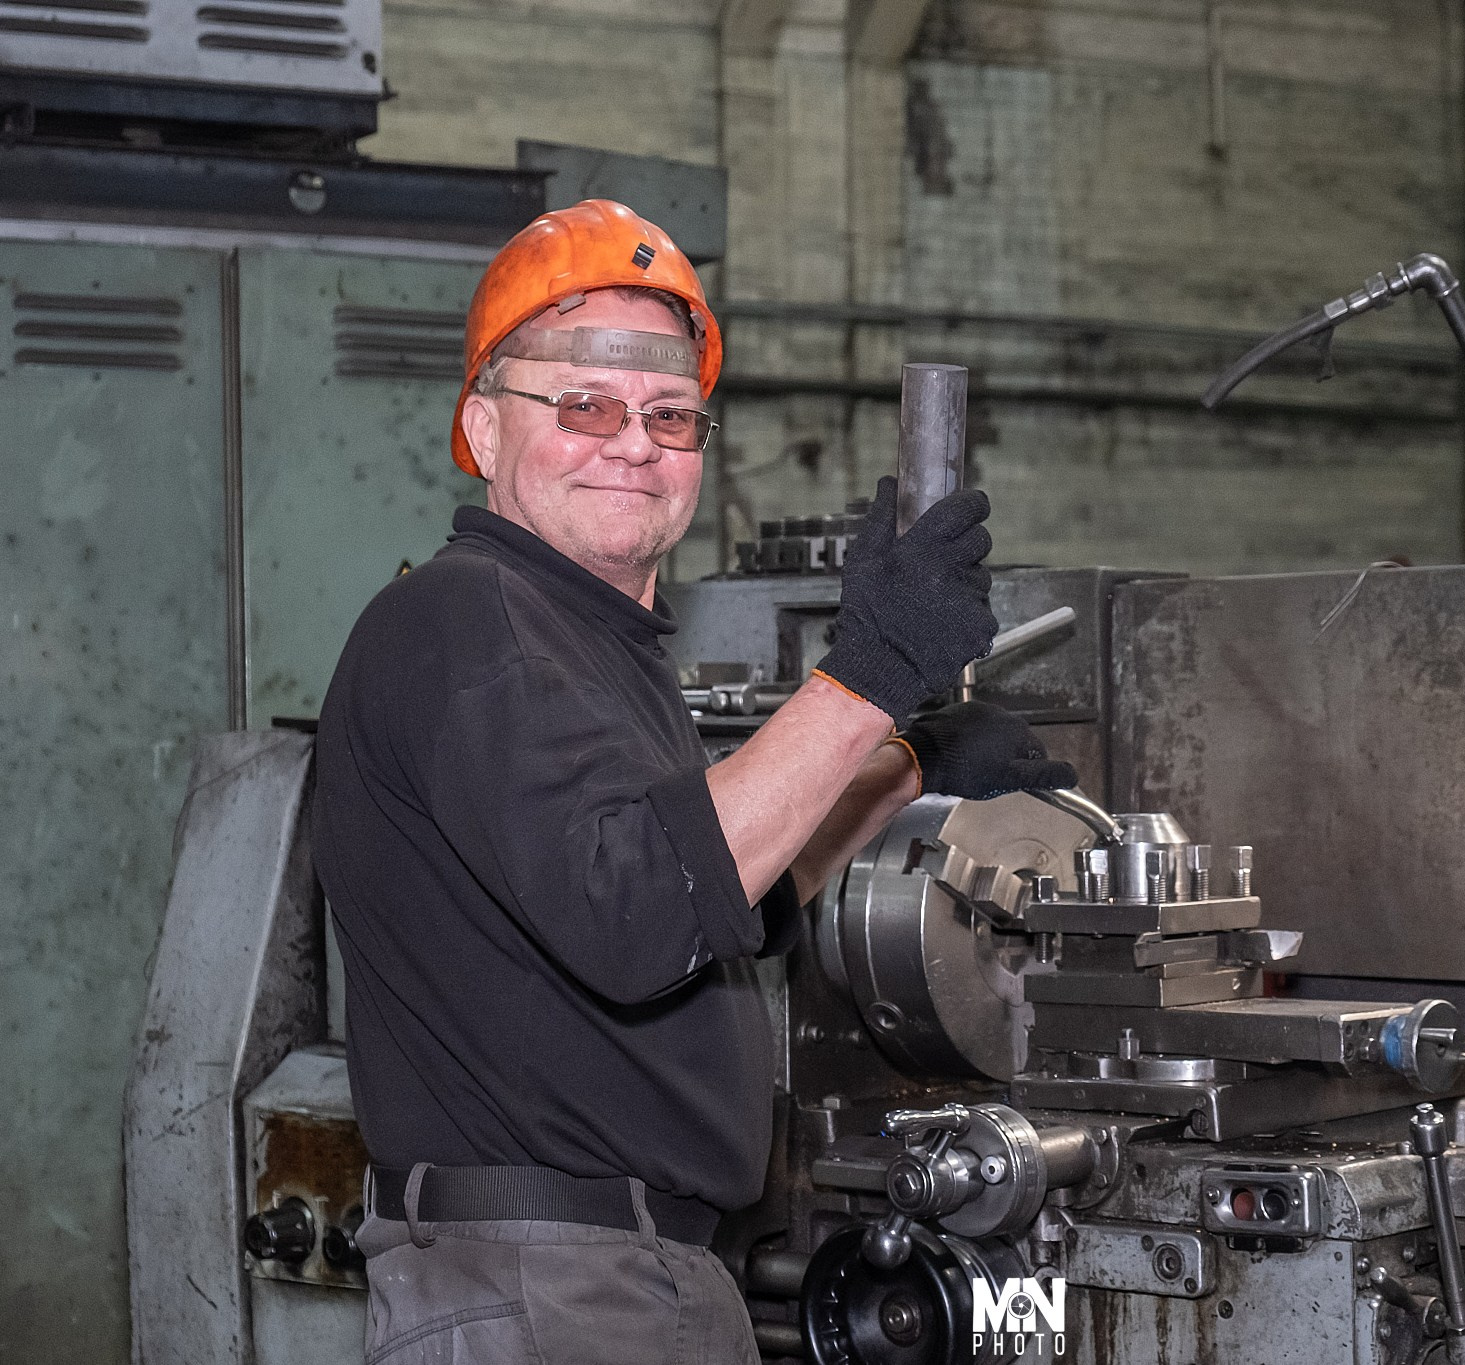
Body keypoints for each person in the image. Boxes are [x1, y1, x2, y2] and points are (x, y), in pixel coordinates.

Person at [311, 199, 1075, 1364]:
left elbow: (723, 908)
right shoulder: (467, 622)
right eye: (584, 406)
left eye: (670, 417)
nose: (634, 442)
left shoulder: (584, 643)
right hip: (553, 1287)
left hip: (617, 1275)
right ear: (480, 423)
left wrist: (904, 766)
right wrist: (871, 672)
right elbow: (640, 912)